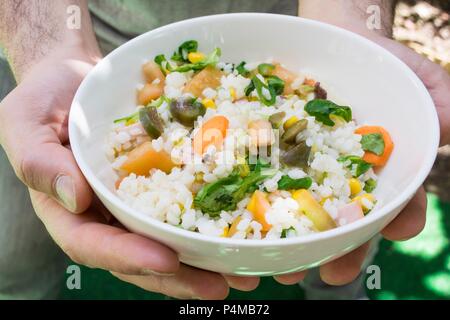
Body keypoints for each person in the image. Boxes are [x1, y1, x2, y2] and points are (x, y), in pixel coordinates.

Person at [0, 0, 448, 300]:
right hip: (84, 40)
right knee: (13, 254)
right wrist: (49, 52)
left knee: (340, 258)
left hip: (299, 16)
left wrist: (351, 30)